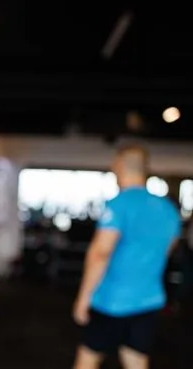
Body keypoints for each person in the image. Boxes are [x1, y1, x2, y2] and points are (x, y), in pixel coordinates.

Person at [72, 144, 181, 369]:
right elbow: (167, 250)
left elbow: (100, 253)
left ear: (119, 166)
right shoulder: (168, 210)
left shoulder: (119, 204)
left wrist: (84, 298)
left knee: (86, 361)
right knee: (136, 361)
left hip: (111, 302)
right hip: (149, 301)